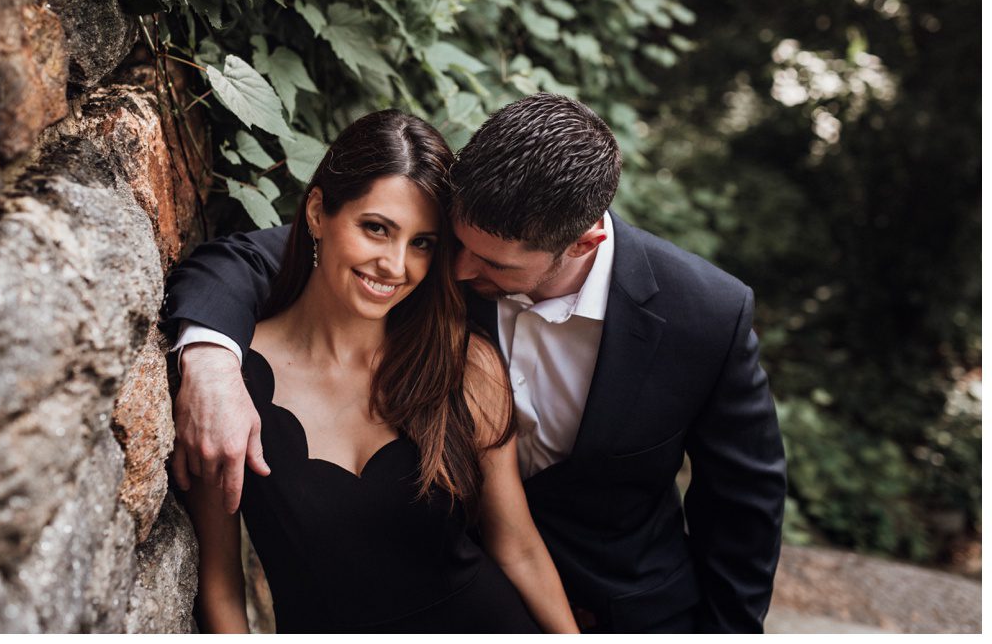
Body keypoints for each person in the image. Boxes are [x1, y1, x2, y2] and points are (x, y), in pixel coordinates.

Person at [163, 93, 787, 633]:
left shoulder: (705, 315)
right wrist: (213, 360)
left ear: (581, 243)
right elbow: (252, 259)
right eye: (453, 244)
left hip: (630, 608)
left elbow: (743, 510)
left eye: (492, 264)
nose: (453, 272)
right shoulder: (426, 248)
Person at [178, 110, 578, 633]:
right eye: (376, 229)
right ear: (319, 212)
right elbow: (221, 583)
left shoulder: (463, 363)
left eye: (421, 243)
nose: (395, 265)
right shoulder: (230, 387)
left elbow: (517, 546)